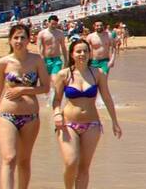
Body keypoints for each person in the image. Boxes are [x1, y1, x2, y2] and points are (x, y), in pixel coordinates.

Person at [51, 38, 122, 189]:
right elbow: (56, 100)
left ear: (90, 54)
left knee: (84, 167)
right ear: (72, 54)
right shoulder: (63, 75)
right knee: (71, 162)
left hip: (92, 124)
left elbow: (107, 98)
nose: (82, 54)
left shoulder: (98, 73)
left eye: (85, 51)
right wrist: (57, 114)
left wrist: (115, 122)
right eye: (78, 51)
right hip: (68, 124)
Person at [0, 24, 50, 189]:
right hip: (6, 115)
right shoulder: (3, 62)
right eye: (16, 37)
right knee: (9, 157)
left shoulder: (37, 60)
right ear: (10, 40)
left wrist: (24, 89)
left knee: (24, 161)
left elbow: (46, 87)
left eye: (22, 37)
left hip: (30, 117)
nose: (19, 41)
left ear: (28, 39)